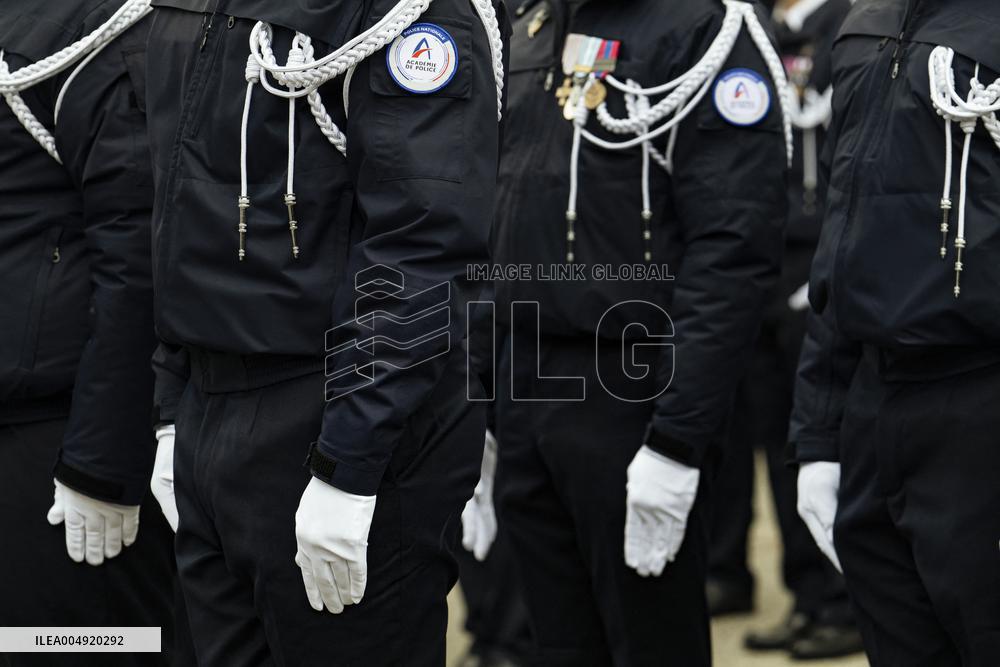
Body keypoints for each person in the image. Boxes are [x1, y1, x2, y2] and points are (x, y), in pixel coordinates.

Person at [142, 0, 508, 663]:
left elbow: (420, 245)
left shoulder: (413, 11)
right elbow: (177, 205)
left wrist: (347, 464)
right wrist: (173, 404)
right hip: (209, 404)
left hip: (329, 415)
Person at [460, 0, 790, 663]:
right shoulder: (531, 24)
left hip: (631, 391)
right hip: (527, 384)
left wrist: (677, 440)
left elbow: (731, 253)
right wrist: (481, 404)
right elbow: (499, 224)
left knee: (649, 641)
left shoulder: (703, 28)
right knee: (557, 642)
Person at [791, 1, 1000, 665]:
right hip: (873, 401)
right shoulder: (866, 22)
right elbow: (841, 238)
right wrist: (818, 432)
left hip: (979, 401)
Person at [0, 1, 179, 664]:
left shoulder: (104, 31)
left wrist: (102, 465)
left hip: (60, 441)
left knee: (77, 646)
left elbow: (139, 260)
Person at [706, 0, 863, 660]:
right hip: (762, 261)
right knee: (769, 440)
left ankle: (837, 601)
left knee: (817, 441)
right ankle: (800, 593)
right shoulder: (758, 31)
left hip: (816, 259)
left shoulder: (847, 26)